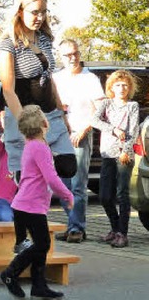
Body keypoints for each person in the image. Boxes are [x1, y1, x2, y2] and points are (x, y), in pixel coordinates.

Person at [0, 104, 73, 299]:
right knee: (41, 245)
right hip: (30, 206)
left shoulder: (32, 145)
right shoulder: (39, 147)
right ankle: (9, 273)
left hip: (25, 205)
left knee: (40, 246)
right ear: (43, 123)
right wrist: (67, 195)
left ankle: (39, 286)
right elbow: (52, 178)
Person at [0, 0, 75, 178]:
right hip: (24, 116)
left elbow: (49, 79)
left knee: (68, 166)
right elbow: (8, 90)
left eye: (44, 12)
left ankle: (41, 166)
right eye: (35, 12)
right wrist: (26, 127)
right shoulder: (8, 44)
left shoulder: (44, 39)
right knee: (26, 180)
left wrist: (62, 113)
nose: (40, 17)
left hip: (50, 115)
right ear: (20, 12)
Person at [53, 39, 105, 243]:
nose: (73, 58)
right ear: (61, 57)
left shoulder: (89, 78)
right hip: (59, 134)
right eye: (67, 55)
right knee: (61, 184)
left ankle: (77, 228)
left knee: (77, 183)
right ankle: (71, 224)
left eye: (75, 53)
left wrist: (84, 128)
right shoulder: (55, 78)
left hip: (80, 134)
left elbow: (99, 108)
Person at [91, 70, 139, 248]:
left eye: (125, 85)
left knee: (122, 194)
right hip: (107, 154)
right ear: (111, 87)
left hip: (123, 155)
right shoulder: (106, 104)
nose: (121, 88)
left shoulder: (132, 106)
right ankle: (115, 227)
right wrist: (113, 129)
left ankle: (122, 233)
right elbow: (95, 120)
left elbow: (133, 131)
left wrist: (126, 150)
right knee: (104, 195)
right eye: (118, 85)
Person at [0, 112, 18, 222]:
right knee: (5, 219)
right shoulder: (4, 151)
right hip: (3, 196)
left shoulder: (28, 152)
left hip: (21, 199)